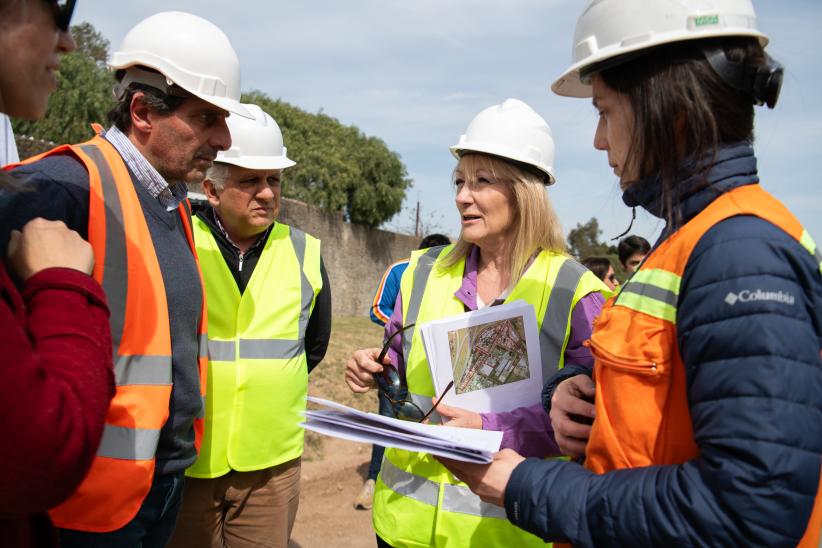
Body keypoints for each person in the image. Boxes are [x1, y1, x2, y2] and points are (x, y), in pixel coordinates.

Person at [438, 1, 822, 546]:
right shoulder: (690, 239)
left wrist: (529, 486)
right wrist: (572, 392)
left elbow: (751, 510)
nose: (598, 141)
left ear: (670, 108)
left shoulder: (741, 253)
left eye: (604, 111)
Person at [0, 11, 251, 546]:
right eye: (207, 118)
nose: (225, 139)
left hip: (156, 488)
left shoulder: (171, 201)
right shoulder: (54, 190)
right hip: (82, 511)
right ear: (142, 111)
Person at [345, 98, 609, 547]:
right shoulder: (422, 272)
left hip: (508, 531)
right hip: (402, 526)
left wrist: (491, 431)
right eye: (460, 181)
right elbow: (396, 363)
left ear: (524, 192)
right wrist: (372, 367)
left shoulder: (575, 291)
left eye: (482, 181)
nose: (462, 196)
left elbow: (592, 421)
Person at [169, 103, 332, 548]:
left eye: (273, 180)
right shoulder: (177, 240)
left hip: (271, 465)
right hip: (190, 459)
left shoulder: (304, 251)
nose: (266, 193)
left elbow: (313, 346)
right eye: (249, 180)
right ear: (212, 189)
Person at [0, 1, 115, 545]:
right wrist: (65, 286)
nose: (68, 42)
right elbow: (37, 450)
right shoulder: (60, 186)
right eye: (58, 11)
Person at [355, 232, 451, 510]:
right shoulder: (401, 270)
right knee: (388, 422)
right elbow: (377, 309)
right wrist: (409, 330)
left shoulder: (458, 274)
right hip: (396, 366)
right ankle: (373, 481)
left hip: (436, 369)